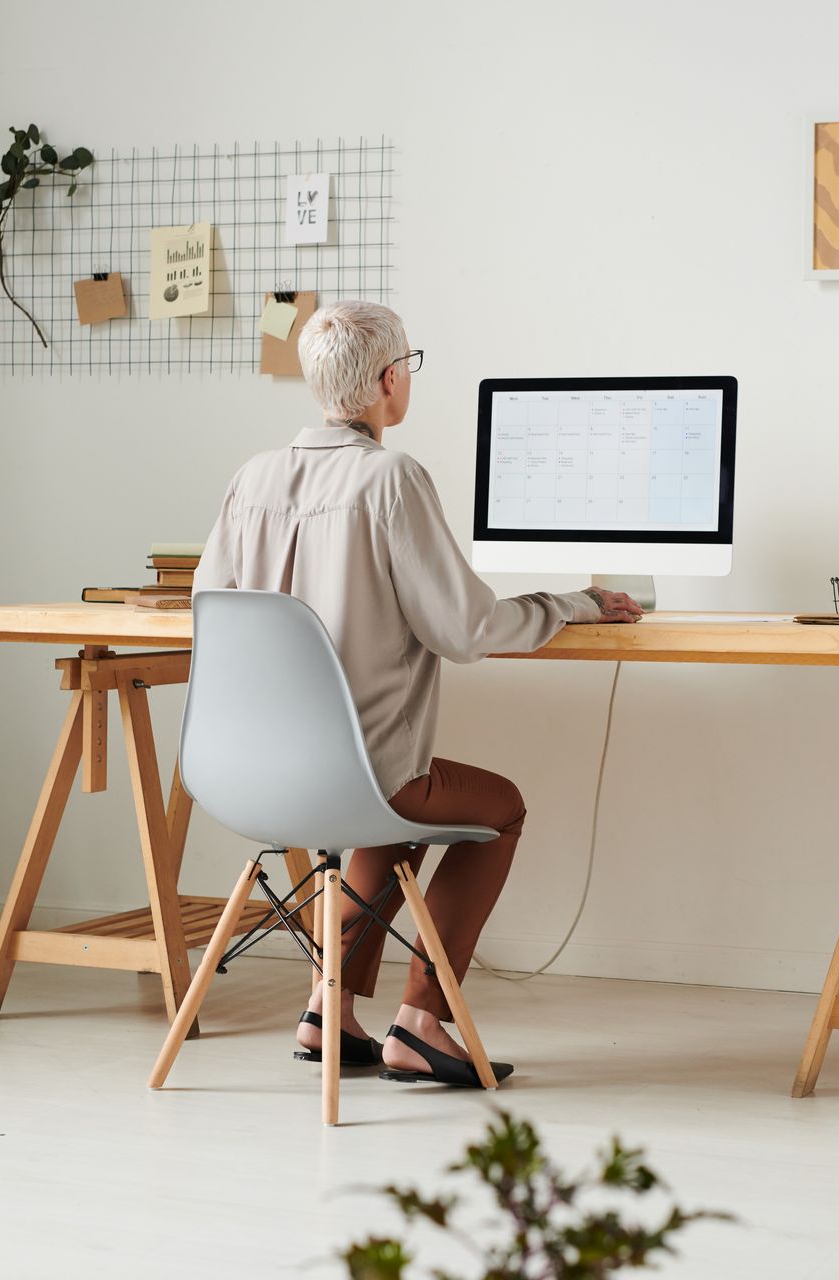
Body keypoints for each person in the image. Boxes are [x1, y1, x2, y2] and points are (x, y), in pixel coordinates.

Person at [193, 300, 643, 1086]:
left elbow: (212, 608)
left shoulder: (250, 478)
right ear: (390, 381)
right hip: (360, 774)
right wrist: (574, 601)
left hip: (243, 780)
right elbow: (467, 630)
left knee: (387, 823)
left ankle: (325, 1012)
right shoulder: (391, 479)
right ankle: (422, 1021)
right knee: (498, 808)